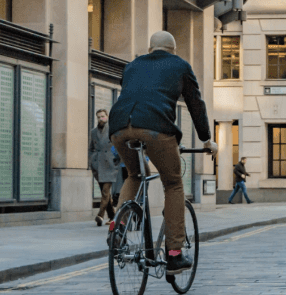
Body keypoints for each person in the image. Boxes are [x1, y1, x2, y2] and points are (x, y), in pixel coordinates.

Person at [108, 31, 217, 274]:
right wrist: (207, 139)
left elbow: (133, 94)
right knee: (173, 184)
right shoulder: (180, 65)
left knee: (135, 175)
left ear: (150, 49)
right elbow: (196, 104)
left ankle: (118, 227)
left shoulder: (133, 65)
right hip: (156, 128)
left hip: (118, 128)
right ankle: (175, 254)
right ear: (173, 50)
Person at [88, 109, 118, 226]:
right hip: (98, 166)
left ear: (107, 117)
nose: (101, 119)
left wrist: (116, 159)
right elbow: (91, 148)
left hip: (110, 165)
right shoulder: (93, 132)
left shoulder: (112, 129)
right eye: (99, 117)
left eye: (103, 116)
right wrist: (92, 160)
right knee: (105, 193)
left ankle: (100, 215)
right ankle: (112, 216)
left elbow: (118, 145)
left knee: (105, 192)